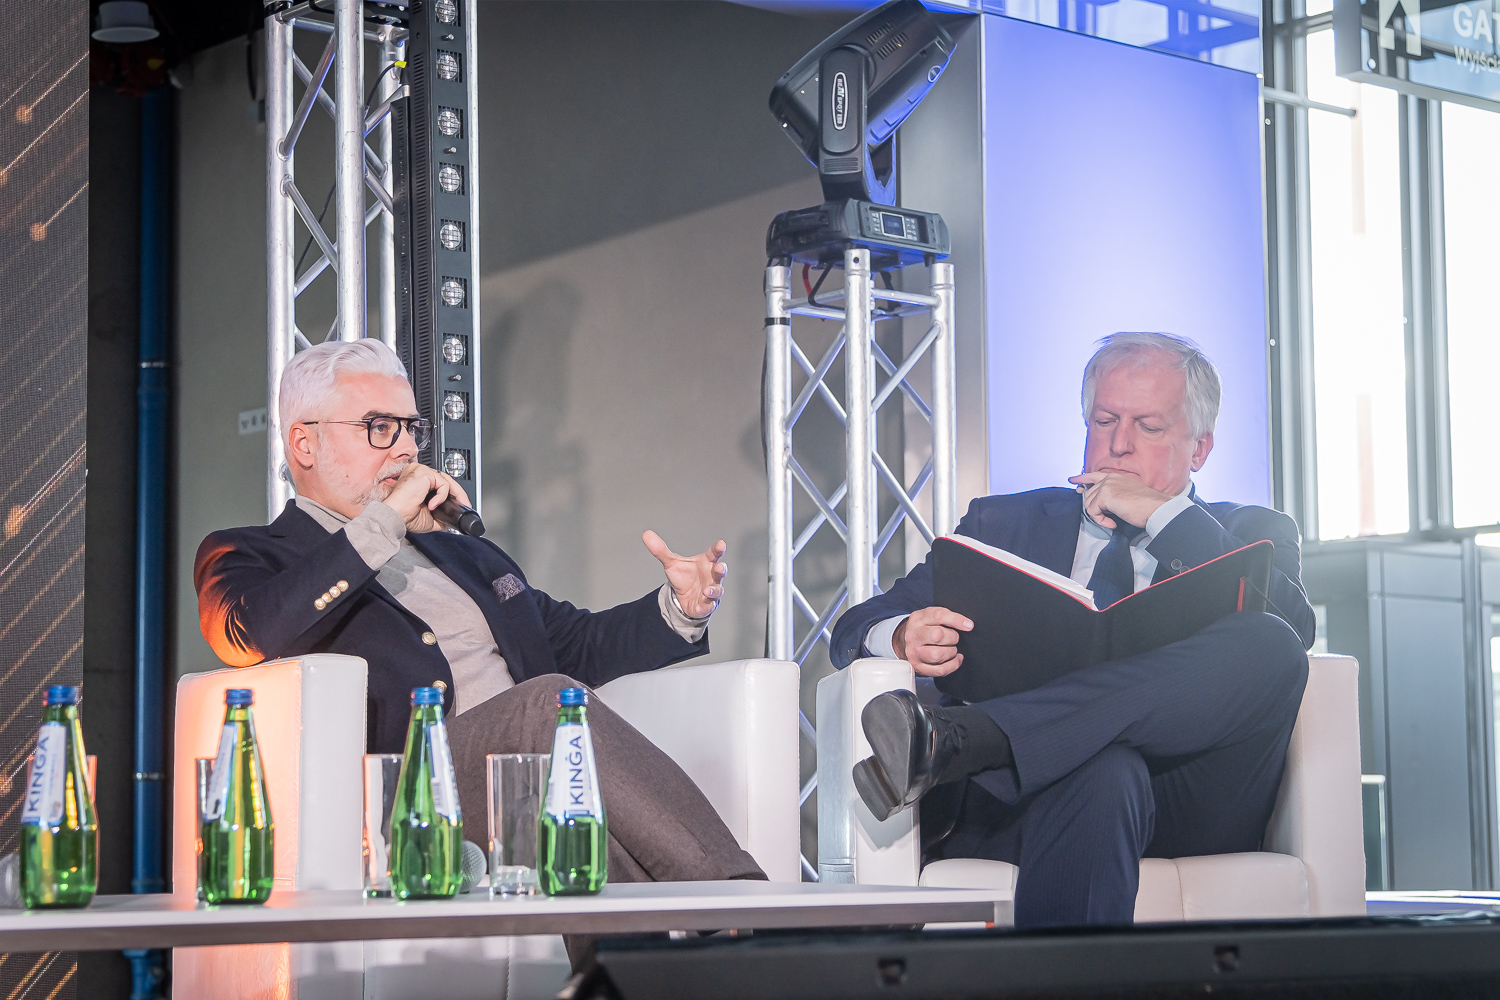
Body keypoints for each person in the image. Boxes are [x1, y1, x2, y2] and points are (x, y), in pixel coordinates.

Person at [195, 339, 764, 889]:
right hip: (410, 797)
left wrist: (679, 609)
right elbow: (249, 632)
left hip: (521, 780)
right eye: (380, 427)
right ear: (305, 443)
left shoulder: (463, 553)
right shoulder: (250, 553)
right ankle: (738, 898)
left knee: (575, 800)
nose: (405, 449)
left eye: (411, 428)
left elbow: (573, 644)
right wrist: (382, 525)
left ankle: (684, 947)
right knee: (550, 708)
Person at [830, 332, 1315, 929]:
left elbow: (1298, 626)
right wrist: (901, 635)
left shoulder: (1251, 532)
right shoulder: (1004, 523)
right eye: (1104, 420)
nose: (1119, 444)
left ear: (1201, 448)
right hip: (1030, 798)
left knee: (1273, 643)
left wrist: (1164, 518)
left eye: (1149, 427)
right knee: (1103, 767)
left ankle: (969, 737)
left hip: (1188, 796)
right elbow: (852, 630)